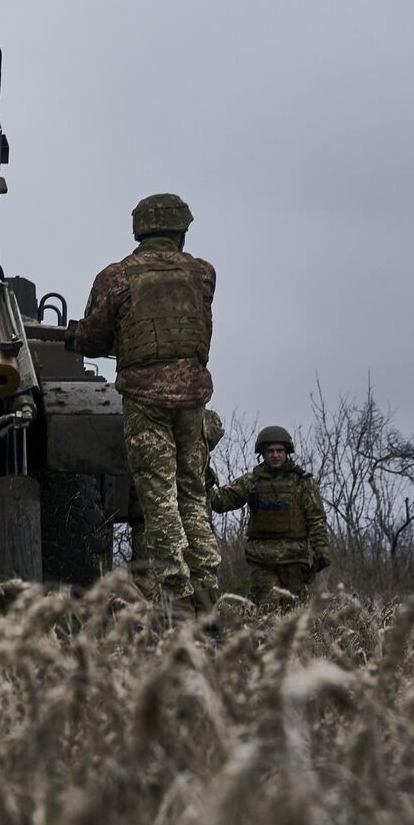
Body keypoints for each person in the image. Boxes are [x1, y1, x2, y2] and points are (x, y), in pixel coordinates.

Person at [66, 193, 220, 611]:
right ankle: (207, 586)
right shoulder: (203, 273)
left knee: (159, 498)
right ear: (180, 230)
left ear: (140, 229)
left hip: (145, 398)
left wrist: (75, 336)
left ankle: (178, 595)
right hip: (193, 397)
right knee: (192, 495)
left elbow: (95, 336)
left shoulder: (117, 277)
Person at [209, 425, 332, 605]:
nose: (275, 455)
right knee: (266, 612)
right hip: (262, 559)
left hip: (294, 559)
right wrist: (202, 483)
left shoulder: (303, 482)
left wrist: (321, 549)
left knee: (294, 614)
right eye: (270, 451)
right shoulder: (252, 481)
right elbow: (222, 501)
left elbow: (316, 519)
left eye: (279, 451)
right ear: (263, 454)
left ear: (287, 452)